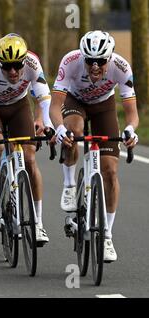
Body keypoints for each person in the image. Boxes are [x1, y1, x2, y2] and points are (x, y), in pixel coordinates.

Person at [50, 30, 139, 262]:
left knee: (110, 171)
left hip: (104, 106)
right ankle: (70, 186)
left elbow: (132, 114)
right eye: (90, 61)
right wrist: (59, 130)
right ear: (83, 57)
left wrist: (130, 130)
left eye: (101, 61)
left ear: (109, 58)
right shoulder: (70, 62)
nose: (95, 66)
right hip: (75, 101)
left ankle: (107, 235)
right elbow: (54, 105)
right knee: (74, 132)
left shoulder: (122, 67)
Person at [0, 33, 54, 244]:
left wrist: (49, 126)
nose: (13, 71)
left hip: (19, 106)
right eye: (7, 66)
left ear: (24, 61)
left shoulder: (32, 63)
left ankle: (37, 222)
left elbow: (45, 100)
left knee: (29, 159)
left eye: (17, 66)